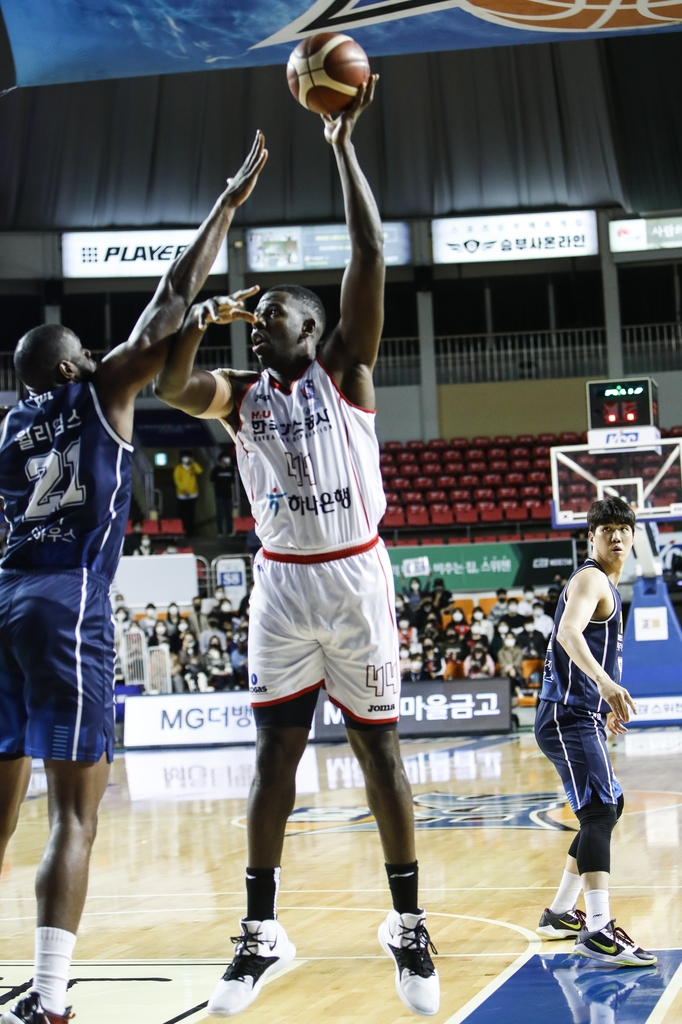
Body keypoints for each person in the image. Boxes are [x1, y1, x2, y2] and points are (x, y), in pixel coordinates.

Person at [155, 80, 439, 1018]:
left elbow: (367, 249)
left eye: (279, 308)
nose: (265, 314)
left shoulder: (347, 370)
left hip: (357, 577)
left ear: (313, 327)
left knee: (379, 757)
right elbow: (169, 381)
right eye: (261, 307)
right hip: (282, 586)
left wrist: (342, 145)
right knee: (273, 759)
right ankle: (260, 929)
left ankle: (407, 924)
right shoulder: (239, 393)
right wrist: (205, 313)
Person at [0, 131, 268, 1024]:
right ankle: (47, 999)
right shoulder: (100, 388)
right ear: (75, 364)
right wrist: (226, 204)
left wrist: (192, 323)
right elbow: (164, 303)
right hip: (67, 601)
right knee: (75, 814)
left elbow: (172, 320)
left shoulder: (5, 432)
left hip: (3, 599)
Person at [534, 498, 655, 968]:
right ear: (591, 537)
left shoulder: (605, 582)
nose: (618, 537)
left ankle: (560, 914)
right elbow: (567, 632)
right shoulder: (590, 578)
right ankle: (599, 929)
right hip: (566, 715)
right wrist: (604, 685)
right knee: (600, 810)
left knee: (607, 806)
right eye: (607, 529)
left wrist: (598, 698)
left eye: (624, 528)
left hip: (575, 712)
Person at [173, 449, 203, 537]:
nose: (186, 459)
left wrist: (193, 462)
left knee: (191, 514)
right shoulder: (178, 468)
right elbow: (177, 480)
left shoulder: (192, 467)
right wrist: (183, 490)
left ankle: (190, 533)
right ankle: (180, 531)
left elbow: (200, 471)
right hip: (182, 495)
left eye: (188, 457)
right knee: (181, 514)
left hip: (193, 495)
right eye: (184, 457)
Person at [211, 449, 236, 536]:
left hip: (229, 495)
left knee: (229, 514)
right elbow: (212, 482)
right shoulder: (216, 470)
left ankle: (229, 531)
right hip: (219, 496)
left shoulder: (231, 470)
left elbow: (233, 482)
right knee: (220, 514)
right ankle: (220, 532)